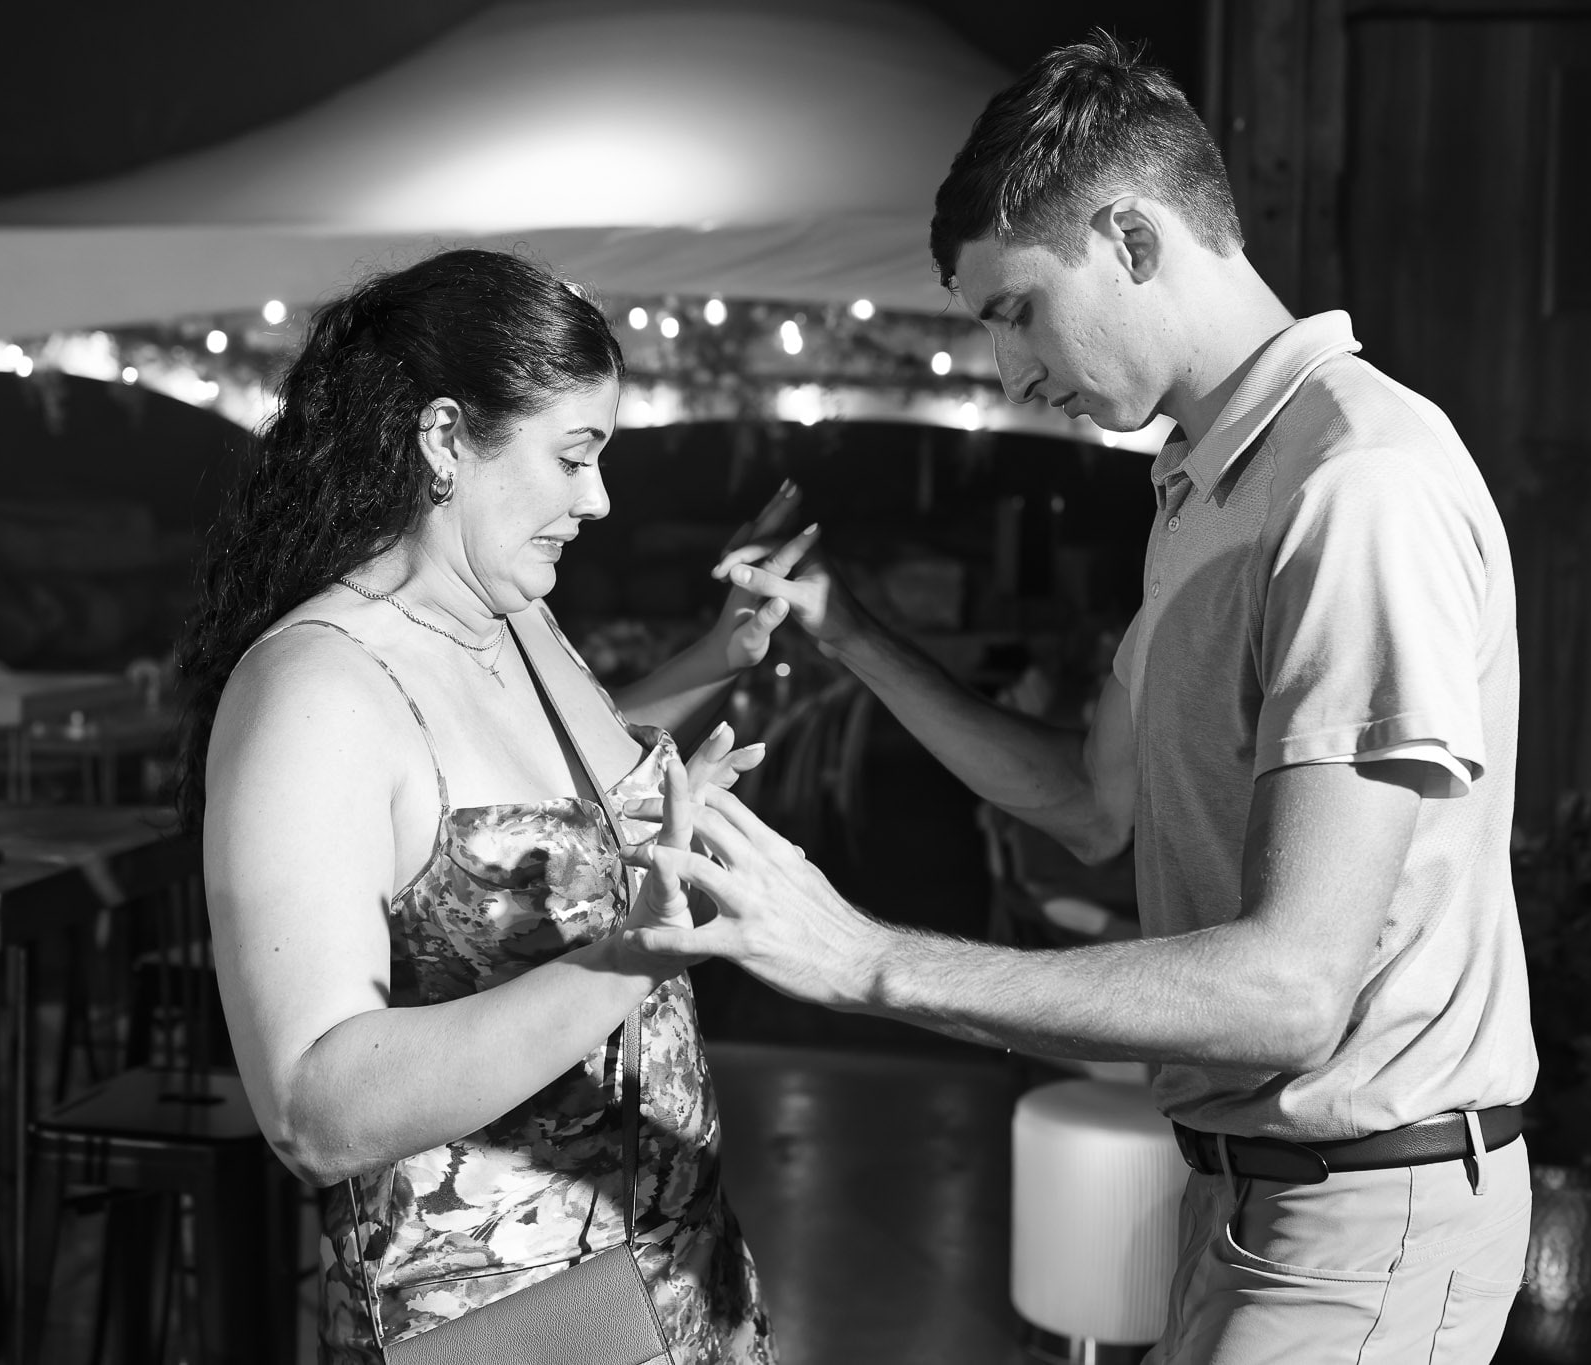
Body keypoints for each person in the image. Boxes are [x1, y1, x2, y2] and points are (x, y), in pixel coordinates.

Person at [625, 36, 1538, 1365]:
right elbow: (1087, 799)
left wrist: (862, 956)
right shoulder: (1212, 486)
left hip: (1365, 1207)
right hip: (1254, 1200)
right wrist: (851, 631)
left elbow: (1290, 989)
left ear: (1131, 237)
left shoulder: (1356, 486)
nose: (1007, 375)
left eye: (1013, 310)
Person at [177, 248, 797, 1363]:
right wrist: (629, 958)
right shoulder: (315, 693)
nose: (599, 499)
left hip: (684, 1289)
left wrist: (721, 657)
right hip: (511, 1329)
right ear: (446, 437)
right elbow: (314, 1110)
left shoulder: (514, 619)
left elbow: (567, 795)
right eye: (574, 457)